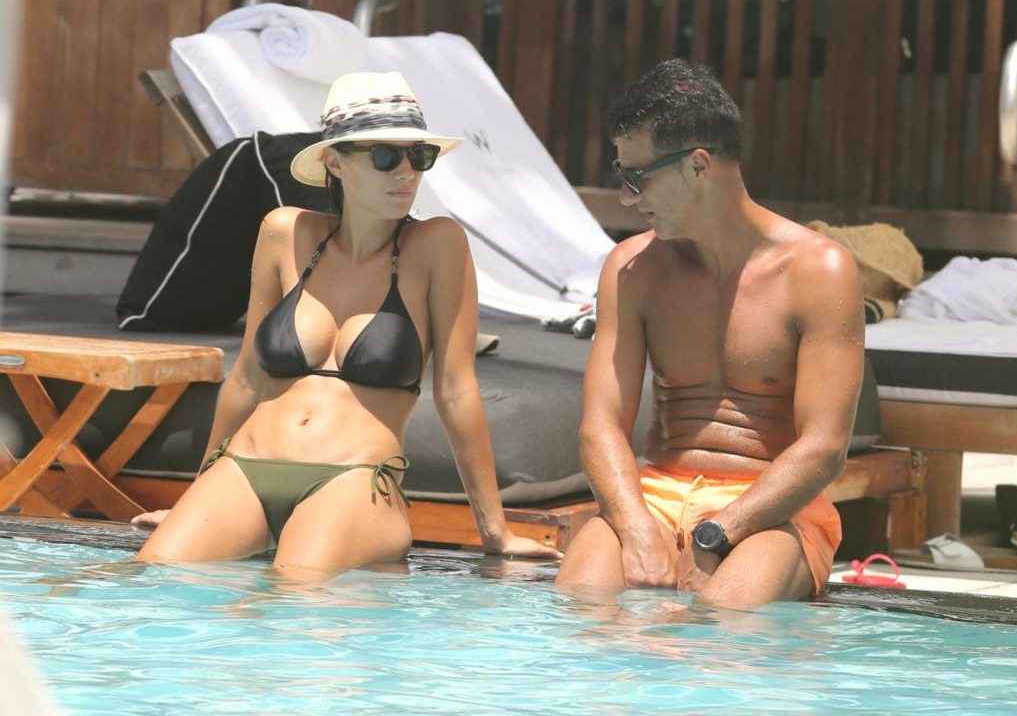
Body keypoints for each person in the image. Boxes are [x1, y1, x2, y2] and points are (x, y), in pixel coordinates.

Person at [137, 72, 559, 579]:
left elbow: (455, 389)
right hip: (246, 466)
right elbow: (247, 376)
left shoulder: (436, 245)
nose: (407, 172)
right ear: (335, 162)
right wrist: (193, 496)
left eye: (418, 156)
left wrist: (495, 530)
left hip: (354, 477)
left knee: (298, 589)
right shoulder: (284, 231)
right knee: (153, 577)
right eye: (385, 156)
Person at [554, 60, 864, 608]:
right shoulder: (633, 268)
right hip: (653, 497)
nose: (627, 197)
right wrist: (636, 527)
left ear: (698, 165)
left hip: (772, 510)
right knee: (581, 603)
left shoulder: (819, 271)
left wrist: (717, 534)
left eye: (637, 177)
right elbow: (601, 424)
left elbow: (824, 447)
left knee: (725, 620)